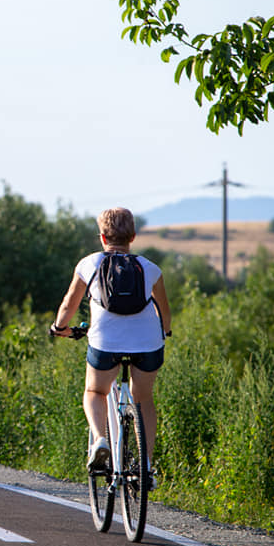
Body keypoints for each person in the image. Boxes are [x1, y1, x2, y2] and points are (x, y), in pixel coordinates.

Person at [50, 207, 171, 487]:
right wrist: (166, 330)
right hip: (147, 344)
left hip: (106, 342)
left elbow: (69, 304)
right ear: (133, 237)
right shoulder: (151, 268)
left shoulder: (89, 263)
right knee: (143, 400)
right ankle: (146, 467)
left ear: (103, 237)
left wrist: (59, 327)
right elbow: (164, 310)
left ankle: (100, 439)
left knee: (95, 390)